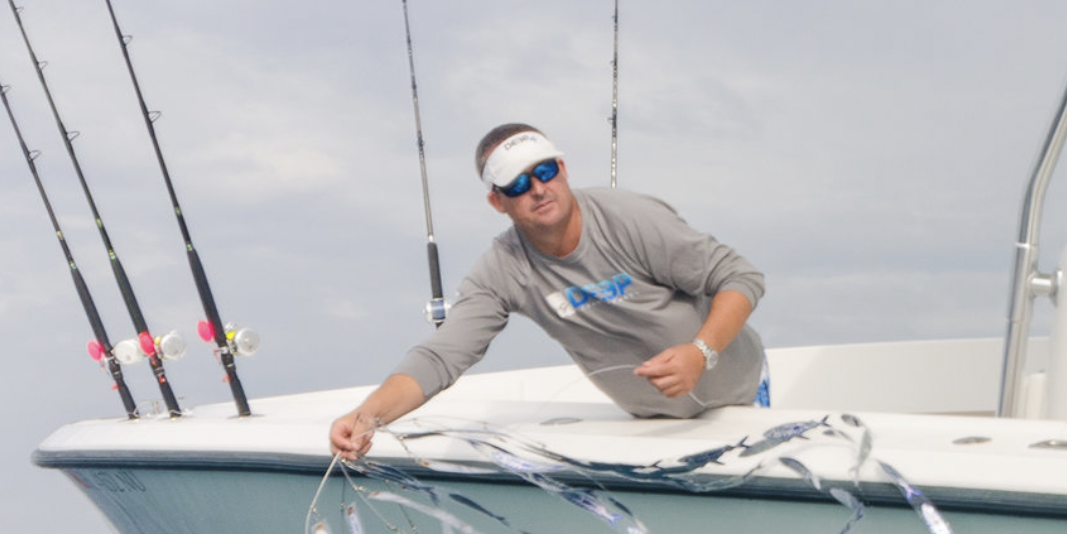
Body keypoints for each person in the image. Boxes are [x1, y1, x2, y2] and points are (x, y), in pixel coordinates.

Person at [328, 125, 768, 460]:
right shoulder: (503, 271)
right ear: (497, 202)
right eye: (518, 184)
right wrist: (368, 416)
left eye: (544, 171)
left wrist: (699, 353)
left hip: (743, 403)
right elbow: (441, 356)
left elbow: (740, 276)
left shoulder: (629, 218)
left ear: (563, 169)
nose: (538, 189)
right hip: (657, 429)